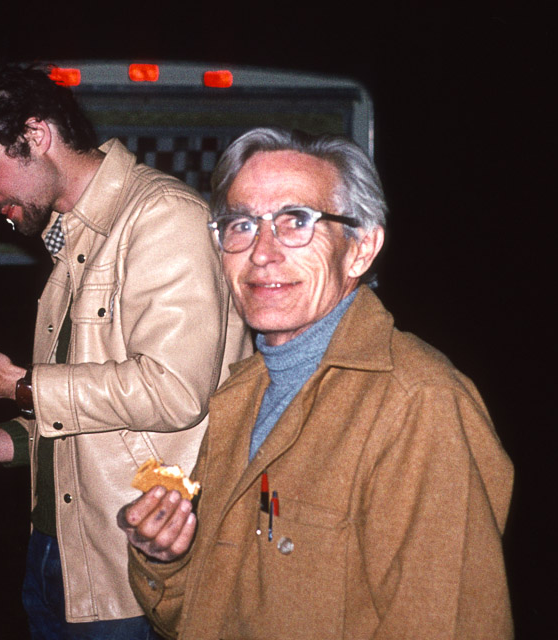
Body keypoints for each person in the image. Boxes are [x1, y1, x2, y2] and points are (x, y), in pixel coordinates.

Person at [0, 64, 249, 639]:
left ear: (36, 136)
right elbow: (87, 423)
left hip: (133, 571)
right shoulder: (73, 242)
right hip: (62, 558)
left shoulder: (161, 217)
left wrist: (18, 386)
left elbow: (175, 392)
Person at [119, 127, 514, 639]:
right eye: (241, 224)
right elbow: (198, 617)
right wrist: (164, 557)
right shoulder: (244, 395)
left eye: (296, 222)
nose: (261, 252)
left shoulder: (419, 405)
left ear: (361, 249)